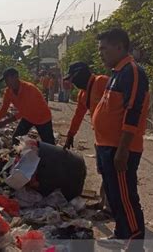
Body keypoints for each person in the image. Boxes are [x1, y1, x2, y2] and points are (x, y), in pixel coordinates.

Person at [93, 28, 148, 252]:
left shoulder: (132, 72)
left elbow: (132, 112)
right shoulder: (116, 72)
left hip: (121, 148)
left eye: (103, 49)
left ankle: (135, 244)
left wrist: (123, 149)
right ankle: (121, 233)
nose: (100, 54)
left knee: (126, 197)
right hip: (107, 146)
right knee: (114, 195)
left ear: (119, 47)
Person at [62, 62, 111, 216]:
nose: (73, 83)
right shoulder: (83, 94)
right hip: (100, 138)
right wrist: (70, 134)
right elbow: (78, 115)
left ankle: (110, 208)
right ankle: (103, 201)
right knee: (104, 171)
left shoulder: (102, 82)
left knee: (112, 172)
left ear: (81, 74)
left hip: (113, 137)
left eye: (74, 79)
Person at [0, 67, 55, 145]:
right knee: (16, 139)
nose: (6, 83)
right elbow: (3, 110)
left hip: (42, 118)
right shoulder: (8, 92)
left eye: (8, 79)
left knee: (50, 145)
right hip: (28, 118)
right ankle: (19, 155)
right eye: (5, 81)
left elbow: (24, 112)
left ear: (16, 77)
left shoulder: (29, 89)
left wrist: (5, 122)